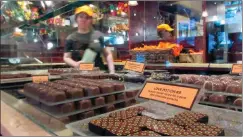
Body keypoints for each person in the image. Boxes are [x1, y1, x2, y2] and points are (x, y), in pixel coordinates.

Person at [63, 5, 115, 74]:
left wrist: (112, 72)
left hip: (99, 74)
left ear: (91, 20)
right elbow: (66, 57)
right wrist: (75, 64)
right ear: (76, 19)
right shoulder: (70, 38)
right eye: (81, 16)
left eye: (87, 17)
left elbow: (108, 54)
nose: (84, 20)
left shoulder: (100, 36)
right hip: (79, 74)